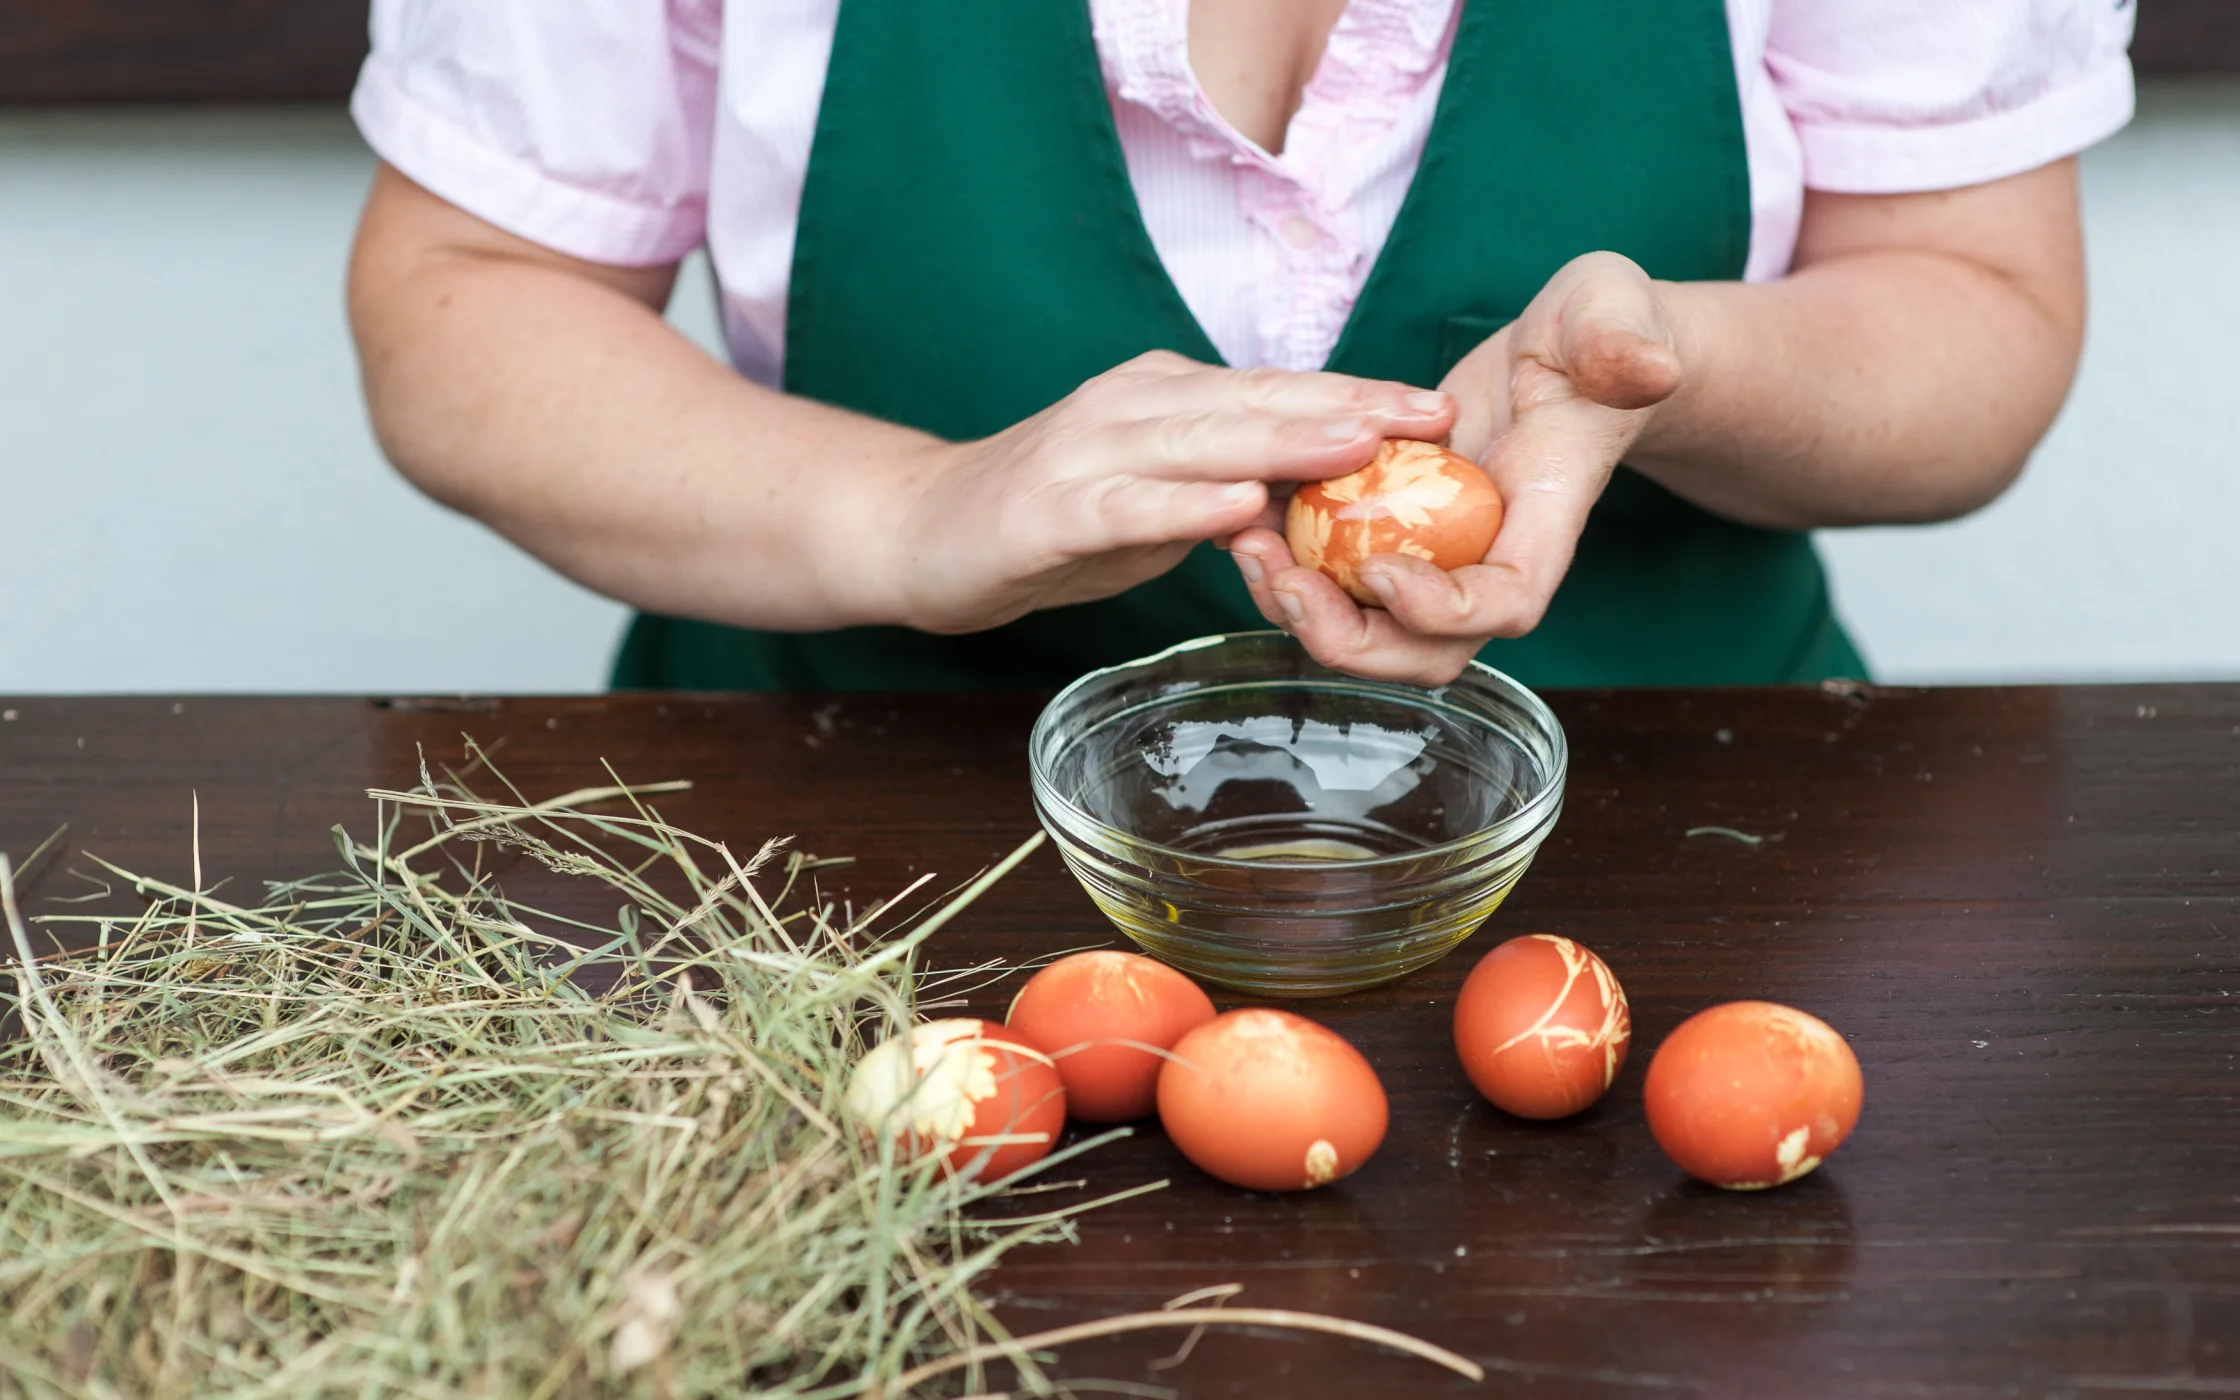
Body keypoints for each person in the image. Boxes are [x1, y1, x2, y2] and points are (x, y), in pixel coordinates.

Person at [346, 0, 2132, 692]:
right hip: (838, 880)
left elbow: (1975, 310)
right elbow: (469, 302)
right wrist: (914, 511)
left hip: (1675, 867)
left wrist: (1679, 367)